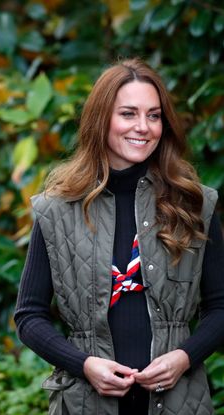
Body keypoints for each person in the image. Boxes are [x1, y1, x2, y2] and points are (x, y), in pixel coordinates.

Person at [14, 58, 224, 414]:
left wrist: (185, 357)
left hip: (179, 403)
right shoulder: (57, 209)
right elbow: (29, 316)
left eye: (154, 115)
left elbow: (220, 305)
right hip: (85, 402)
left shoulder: (195, 204)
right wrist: (83, 364)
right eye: (128, 114)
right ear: (101, 120)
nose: (143, 127)